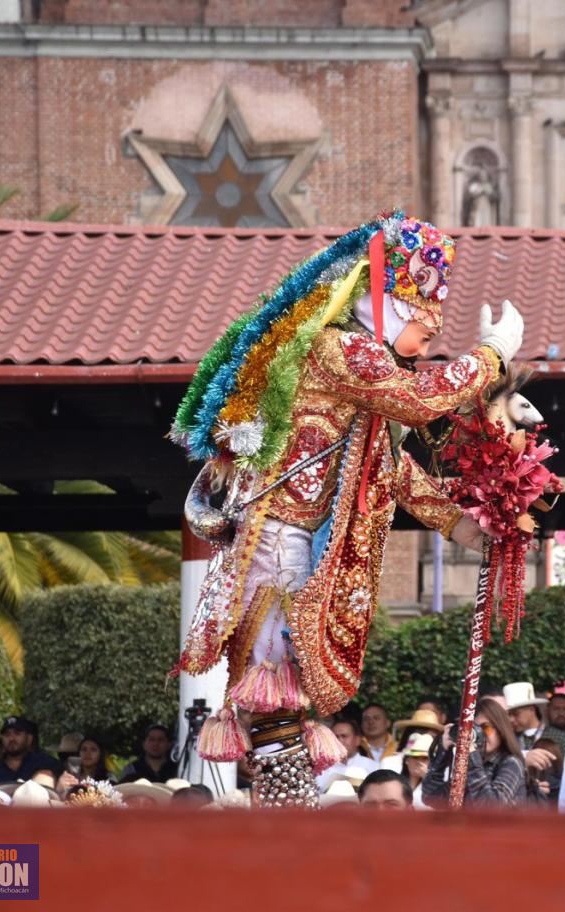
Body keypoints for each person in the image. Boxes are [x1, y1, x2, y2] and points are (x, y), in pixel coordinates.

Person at [175, 212, 524, 806]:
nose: (428, 341)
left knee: (287, 699)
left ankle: (287, 813)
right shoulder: (340, 351)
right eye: (423, 324)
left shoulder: (360, 365)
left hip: (298, 545)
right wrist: (490, 356)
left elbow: (392, 467)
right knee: (276, 696)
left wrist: (462, 527)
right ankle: (285, 821)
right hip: (281, 546)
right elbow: (421, 400)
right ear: (387, 303)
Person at [422, 697, 526, 807]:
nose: (480, 734)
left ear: (501, 730)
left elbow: (492, 808)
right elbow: (430, 798)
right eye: (474, 728)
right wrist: (443, 752)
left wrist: (472, 756)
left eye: (485, 727)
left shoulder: (511, 763)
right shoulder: (469, 765)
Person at [0, 717, 60, 789]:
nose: (12, 739)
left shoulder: (44, 763)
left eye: (17, 733)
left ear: (29, 739)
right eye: (7, 734)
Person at [504, 681, 565, 754]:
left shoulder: (558, 738)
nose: (511, 719)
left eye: (516, 714)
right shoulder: (509, 740)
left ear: (531, 709)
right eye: (509, 715)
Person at [399, 732, 434, 809]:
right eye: (415, 757)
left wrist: (428, 779)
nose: (419, 762)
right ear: (406, 760)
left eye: (424, 758)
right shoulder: (395, 784)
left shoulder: (436, 787)